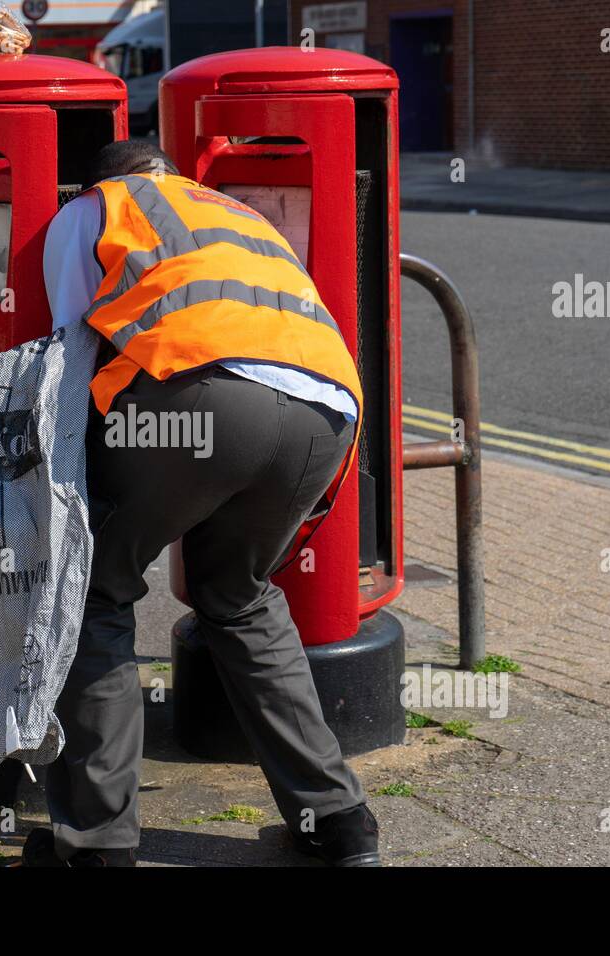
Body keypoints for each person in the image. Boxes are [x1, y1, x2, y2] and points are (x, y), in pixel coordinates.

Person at [20, 140, 382, 867]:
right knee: (239, 596)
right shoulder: (239, 215)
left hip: (198, 399)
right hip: (326, 411)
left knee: (93, 593)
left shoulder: (95, 208)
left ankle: (95, 846)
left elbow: (69, 351)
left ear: (101, 181)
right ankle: (339, 824)